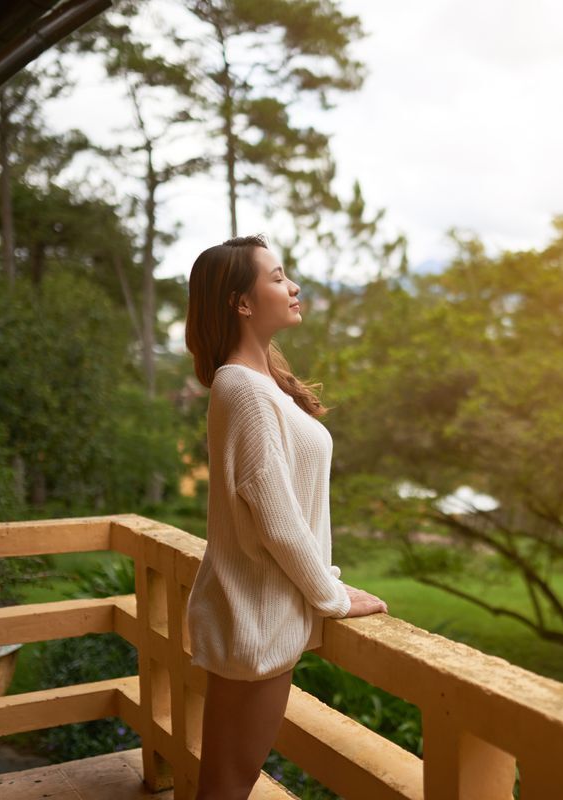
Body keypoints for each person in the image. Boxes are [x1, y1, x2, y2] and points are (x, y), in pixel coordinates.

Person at [183, 234, 388, 800]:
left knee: (224, 781)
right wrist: (334, 597)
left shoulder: (257, 384)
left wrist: (330, 584)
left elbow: (279, 507)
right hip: (258, 621)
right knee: (228, 786)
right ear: (241, 303)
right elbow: (276, 519)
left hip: (260, 615)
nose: (292, 286)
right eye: (276, 277)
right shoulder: (243, 390)